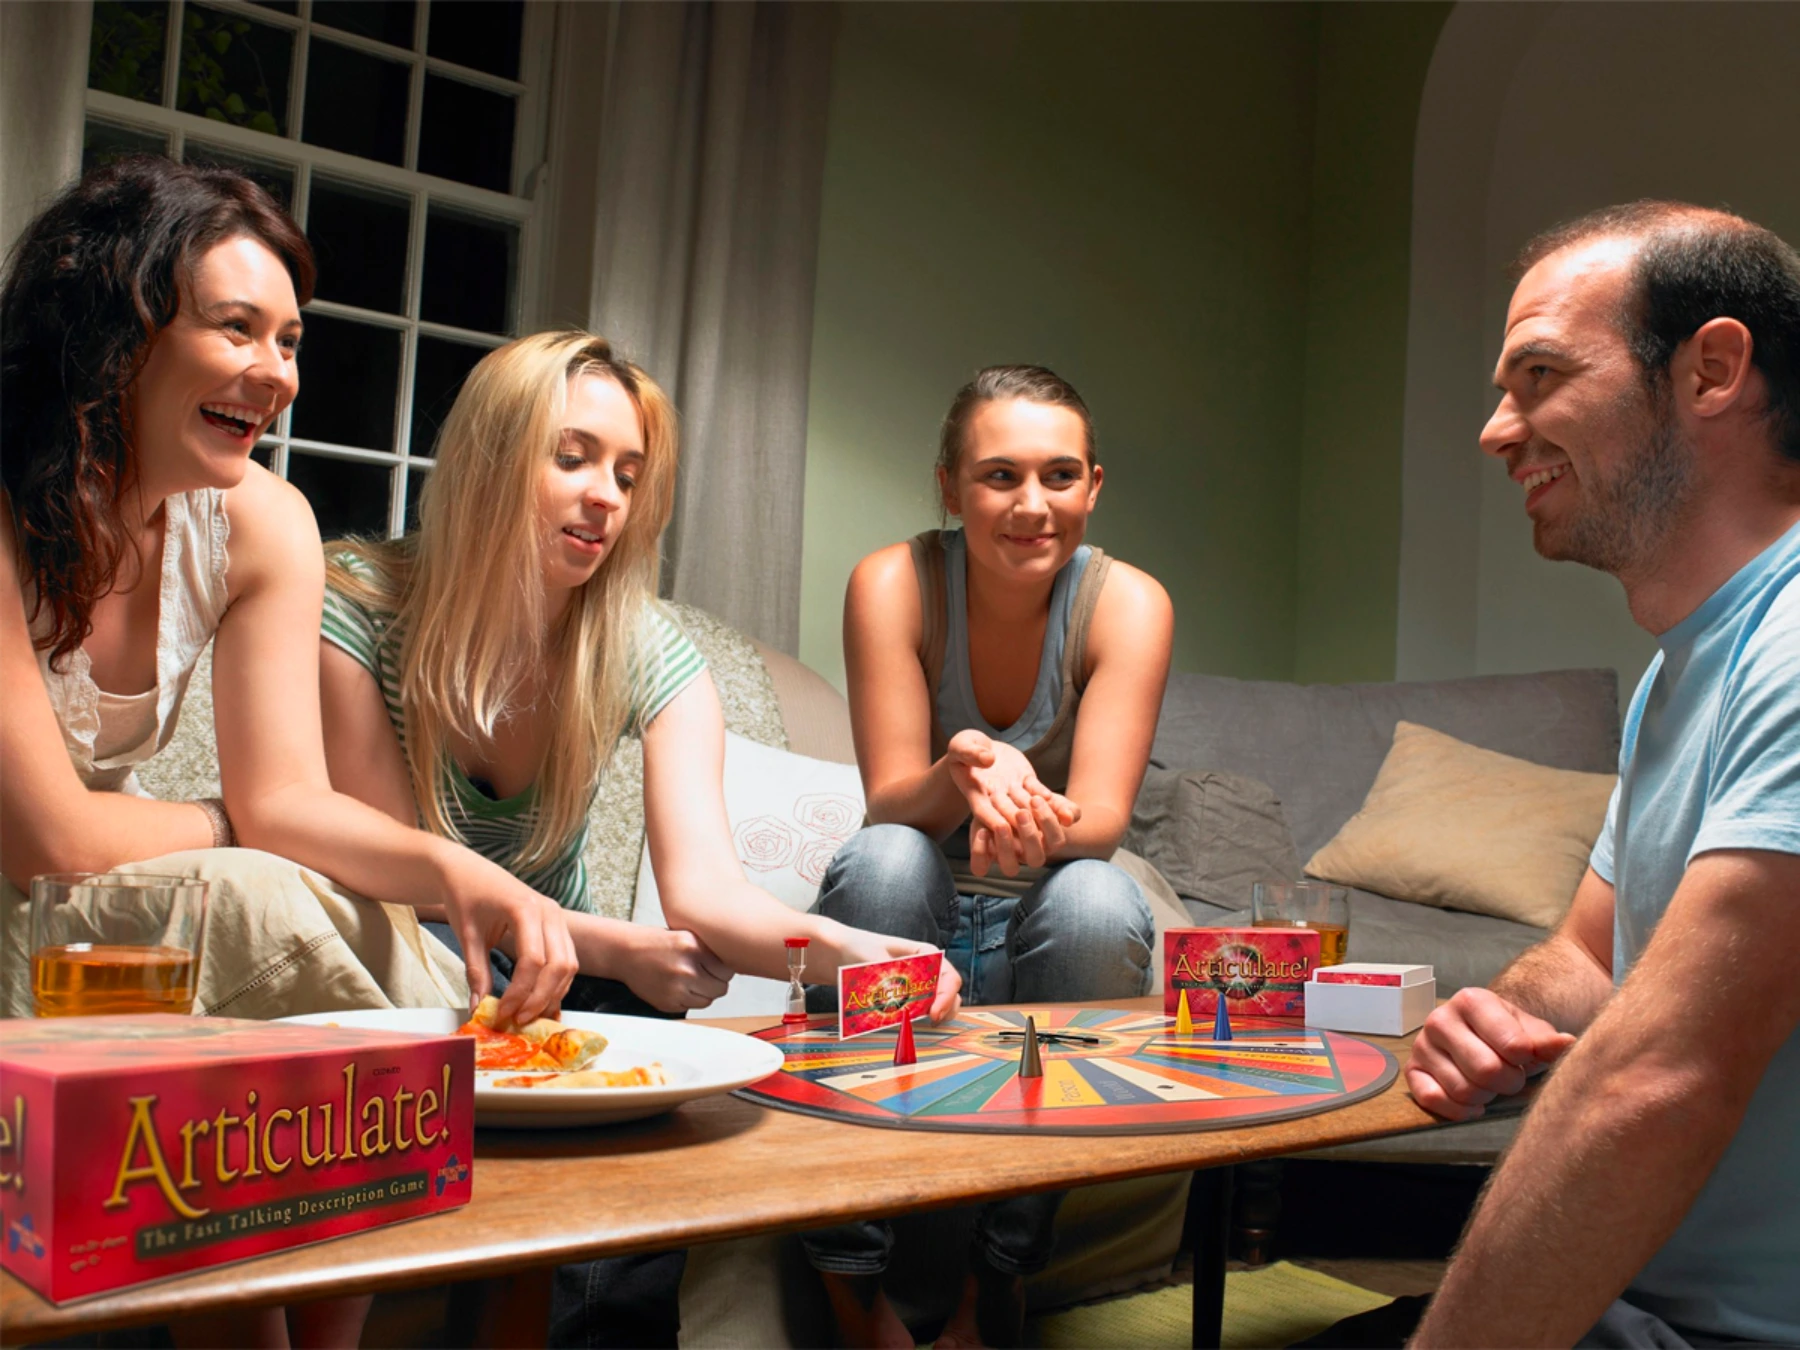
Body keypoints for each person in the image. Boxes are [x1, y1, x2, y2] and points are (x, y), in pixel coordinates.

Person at [1405, 203, 1800, 1347]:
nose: (1496, 431)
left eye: (1538, 375)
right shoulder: (1677, 676)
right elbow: (1588, 955)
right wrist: (1501, 1011)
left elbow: (1661, 1077)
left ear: (1711, 370)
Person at [318, 329, 963, 1022]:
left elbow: (708, 894)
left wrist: (856, 950)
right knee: (443, 951)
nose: (608, 498)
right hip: (416, 948)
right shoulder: (360, 609)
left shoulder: (650, 653)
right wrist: (621, 950)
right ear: (488, 462)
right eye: (572, 459)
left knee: (648, 1002)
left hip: (563, 971)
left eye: (628, 475)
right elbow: (396, 879)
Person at [808, 365, 1172, 1347]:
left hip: (1044, 933)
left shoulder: (1129, 604)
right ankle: (851, 1290)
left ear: (1095, 485)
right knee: (885, 860)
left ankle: (997, 1284)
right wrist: (964, 763)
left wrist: (1020, 800)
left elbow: (1097, 821)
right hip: (912, 925)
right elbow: (891, 803)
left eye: (1059, 477)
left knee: (1101, 899)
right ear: (948, 486)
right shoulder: (892, 581)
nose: (1031, 506)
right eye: (999, 476)